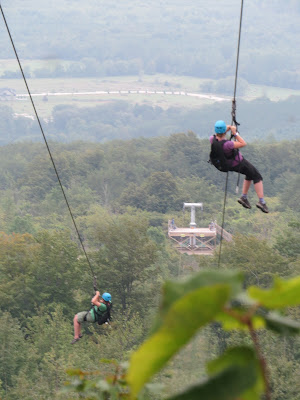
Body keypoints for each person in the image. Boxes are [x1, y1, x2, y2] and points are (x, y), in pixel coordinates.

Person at [210, 120, 269, 213]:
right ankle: (261, 201)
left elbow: (219, 135)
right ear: (224, 131)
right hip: (239, 163)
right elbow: (243, 143)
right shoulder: (228, 144)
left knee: (249, 174)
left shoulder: (212, 139)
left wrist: (227, 129)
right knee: (257, 176)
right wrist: (235, 133)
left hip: (229, 165)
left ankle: (244, 197)